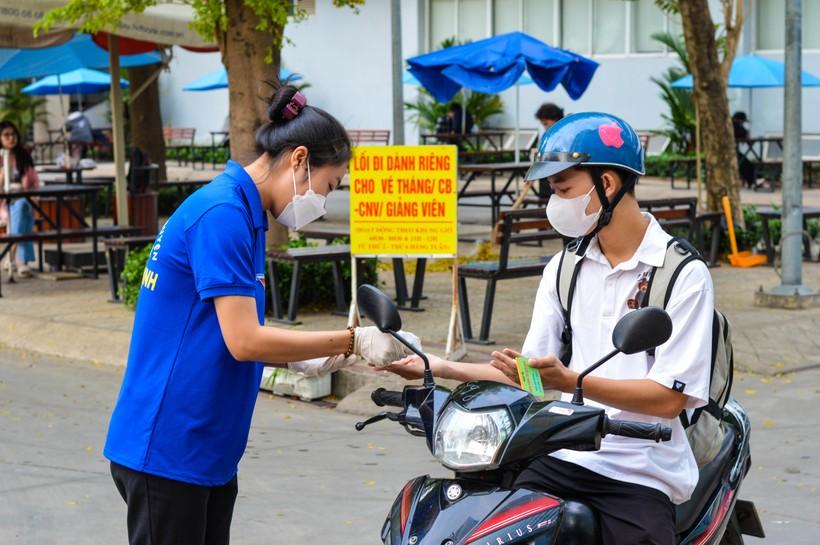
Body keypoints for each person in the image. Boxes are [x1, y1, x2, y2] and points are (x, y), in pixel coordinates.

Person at [103, 82, 416, 545]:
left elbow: (224, 335)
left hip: (203, 449)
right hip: (168, 446)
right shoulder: (222, 214)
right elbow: (244, 340)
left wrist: (306, 355)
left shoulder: (245, 214)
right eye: (328, 186)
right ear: (299, 159)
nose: (324, 203)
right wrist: (353, 340)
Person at [386, 112, 714, 545]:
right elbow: (531, 373)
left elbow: (669, 398)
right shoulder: (565, 267)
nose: (554, 203)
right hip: (562, 454)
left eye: (562, 189)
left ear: (608, 184)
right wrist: (437, 365)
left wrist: (573, 381)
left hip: (639, 468)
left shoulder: (682, 274)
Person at [0, 120, 40, 277]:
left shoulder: (23, 156)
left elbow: (34, 182)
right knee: (23, 213)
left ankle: (12, 256)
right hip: (4, 204)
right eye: (6, 135)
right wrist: (3, 172)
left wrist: (33, 197)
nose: (11, 138)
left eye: (13, 134)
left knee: (23, 207)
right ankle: (21, 262)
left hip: (24, 200)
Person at [732, 111, 765, 190]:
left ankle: (753, 181)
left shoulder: (731, 125)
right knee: (746, 164)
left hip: (733, 152)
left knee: (746, 163)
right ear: (740, 120)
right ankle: (753, 181)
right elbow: (747, 139)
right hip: (732, 153)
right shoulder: (736, 126)